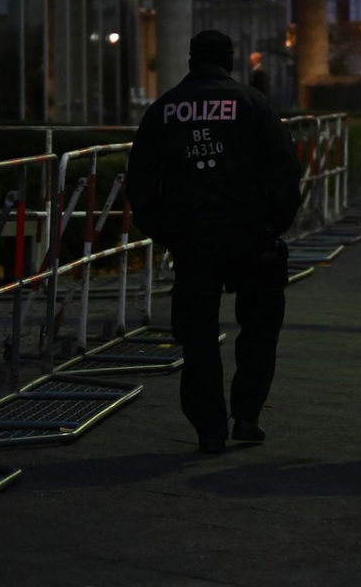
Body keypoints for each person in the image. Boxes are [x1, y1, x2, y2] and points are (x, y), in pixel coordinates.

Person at [127, 29, 304, 454]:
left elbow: (141, 185)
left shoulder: (164, 109)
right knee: (259, 326)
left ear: (191, 60)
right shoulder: (254, 105)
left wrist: (168, 234)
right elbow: (285, 173)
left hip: (193, 241)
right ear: (230, 61)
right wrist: (273, 227)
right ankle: (246, 414)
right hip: (252, 237)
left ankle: (209, 427)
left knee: (198, 336)